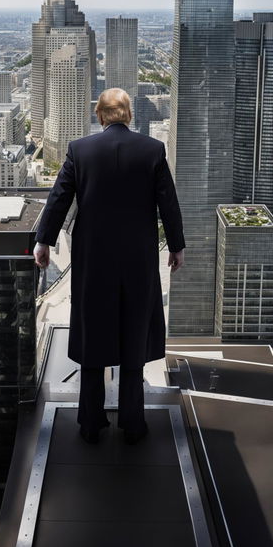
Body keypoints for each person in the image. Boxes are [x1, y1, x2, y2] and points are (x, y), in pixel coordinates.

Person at [33, 87, 185, 444]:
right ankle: (132, 423)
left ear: (100, 116)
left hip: (94, 259)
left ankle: (90, 422)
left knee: (93, 332)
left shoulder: (80, 150)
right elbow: (169, 203)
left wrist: (44, 240)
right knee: (134, 331)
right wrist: (176, 247)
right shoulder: (152, 150)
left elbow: (59, 199)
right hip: (138, 259)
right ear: (129, 115)